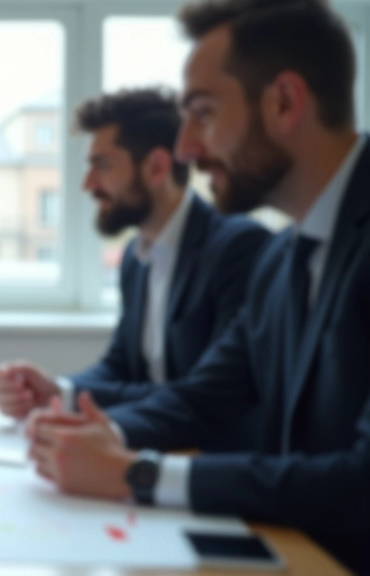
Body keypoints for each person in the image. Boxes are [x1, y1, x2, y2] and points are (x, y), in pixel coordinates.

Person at [25, 0, 370, 571]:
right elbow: (204, 396)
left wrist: (138, 473)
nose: (185, 147)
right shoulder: (282, 256)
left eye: (204, 114)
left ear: (284, 102)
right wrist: (95, 435)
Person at [0, 88, 269, 450]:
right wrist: (58, 390)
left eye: (103, 165)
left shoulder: (238, 248)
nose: (88, 184)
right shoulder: (133, 257)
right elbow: (119, 365)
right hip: (148, 449)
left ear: (157, 167)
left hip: (204, 459)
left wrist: (95, 425)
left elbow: (206, 394)